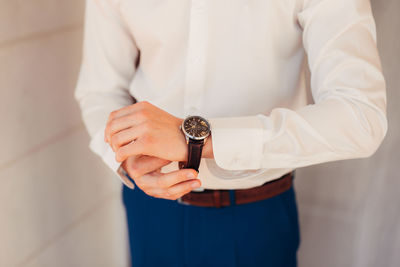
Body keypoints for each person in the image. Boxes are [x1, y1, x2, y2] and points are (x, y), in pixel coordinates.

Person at [74, 0, 388, 266]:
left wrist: (198, 140)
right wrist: (126, 157)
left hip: (256, 216)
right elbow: (100, 91)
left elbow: (360, 115)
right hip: (150, 211)